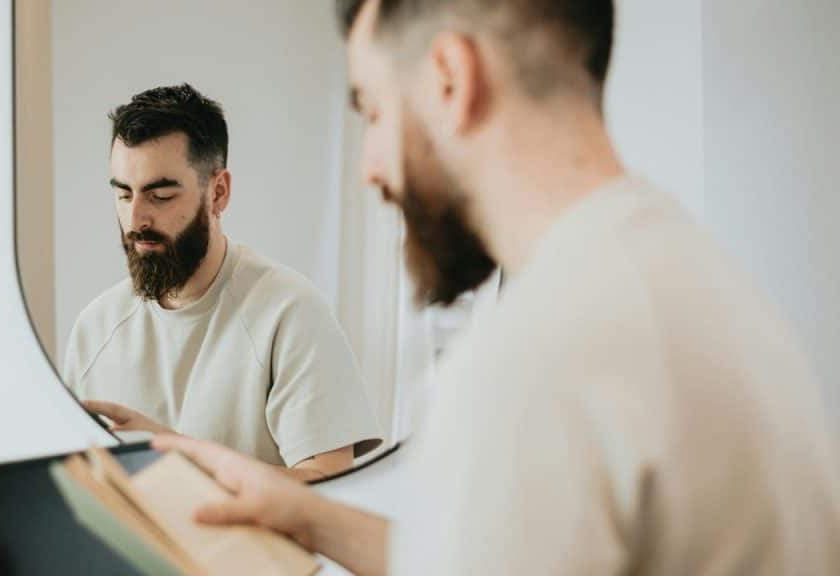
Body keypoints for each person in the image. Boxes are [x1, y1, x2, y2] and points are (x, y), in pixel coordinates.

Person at [151, 0, 840, 573]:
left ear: (451, 78)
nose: (370, 165)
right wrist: (306, 514)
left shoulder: (536, 354)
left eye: (375, 111)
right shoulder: (691, 274)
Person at [63, 84, 382, 481]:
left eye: (160, 195)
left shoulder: (289, 314)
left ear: (218, 192)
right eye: (124, 195)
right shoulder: (95, 329)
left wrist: (188, 462)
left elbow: (330, 482)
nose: (136, 220)